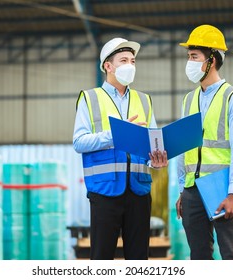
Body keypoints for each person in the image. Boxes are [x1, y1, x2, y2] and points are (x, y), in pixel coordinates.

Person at [73, 37, 168, 260]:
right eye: (124, 60)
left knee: (138, 260)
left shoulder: (144, 100)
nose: (130, 66)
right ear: (108, 66)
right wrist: (116, 135)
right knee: (102, 259)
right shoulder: (90, 98)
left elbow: (151, 143)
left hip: (139, 191)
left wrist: (155, 160)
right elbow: (79, 142)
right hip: (104, 191)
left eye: (133, 61)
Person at [175, 24, 233, 260]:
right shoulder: (188, 100)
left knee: (231, 255)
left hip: (222, 189)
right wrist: (181, 191)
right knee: (199, 257)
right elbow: (182, 150)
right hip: (192, 192)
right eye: (188, 56)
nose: (189, 62)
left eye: (194, 56)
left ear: (212, 59)